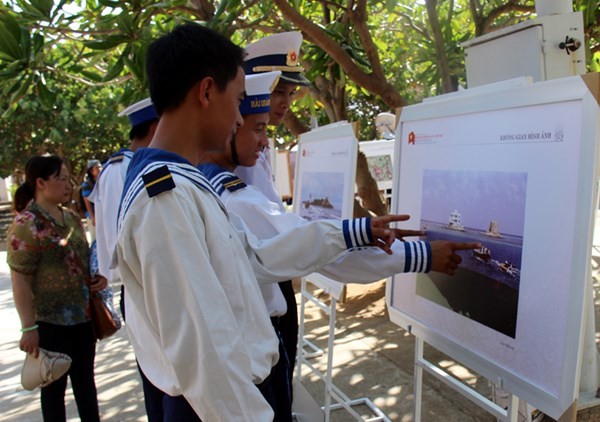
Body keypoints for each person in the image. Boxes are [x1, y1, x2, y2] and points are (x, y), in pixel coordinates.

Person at [115, 23, 413, 421]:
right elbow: (205, 353)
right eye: (238, 101)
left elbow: (254, 256)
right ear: (206, 92)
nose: (240, 119)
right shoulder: (166, 197)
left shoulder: (182, 183)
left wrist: (354, 232)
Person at [199, 71, 480, 406]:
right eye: (256, 128)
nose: (264, 142)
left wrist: (364, 234)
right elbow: (307, 248)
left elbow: (300, 239)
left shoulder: (211, 183)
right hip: (255, 342)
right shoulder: (234, 196)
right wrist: (420, 255)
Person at [233, 31, 318, 379]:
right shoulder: (237, 152)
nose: (286, 102)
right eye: (277, 90)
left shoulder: (260, 143)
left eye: (289, 92)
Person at [7, 155, 107, 422]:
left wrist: (100, 279)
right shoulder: (26, 224)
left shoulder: (72, 218)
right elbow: (20, 279)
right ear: (40, 183)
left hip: (82, 319)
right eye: (60, 178)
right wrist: (28, 328)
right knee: (53, 391)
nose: (68, 184)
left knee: (86, 385)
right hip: (49, 323)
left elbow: (85, 262)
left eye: (68, 178)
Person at [88, 97, 164, 421]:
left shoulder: (116, 166)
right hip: (142, 285)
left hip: (141, 284)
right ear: (155, 126)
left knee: (159, 375)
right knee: (161, 377)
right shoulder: (126, 168)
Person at [81, 159, 102, 242]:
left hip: (102, 214)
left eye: (100, 167)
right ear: (91, 171)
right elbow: (87, 201)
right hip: (93, 215)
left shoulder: (103, 181)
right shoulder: (87, 185)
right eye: (97, 167)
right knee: (95, 238)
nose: (100, 169)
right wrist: (93, 217)